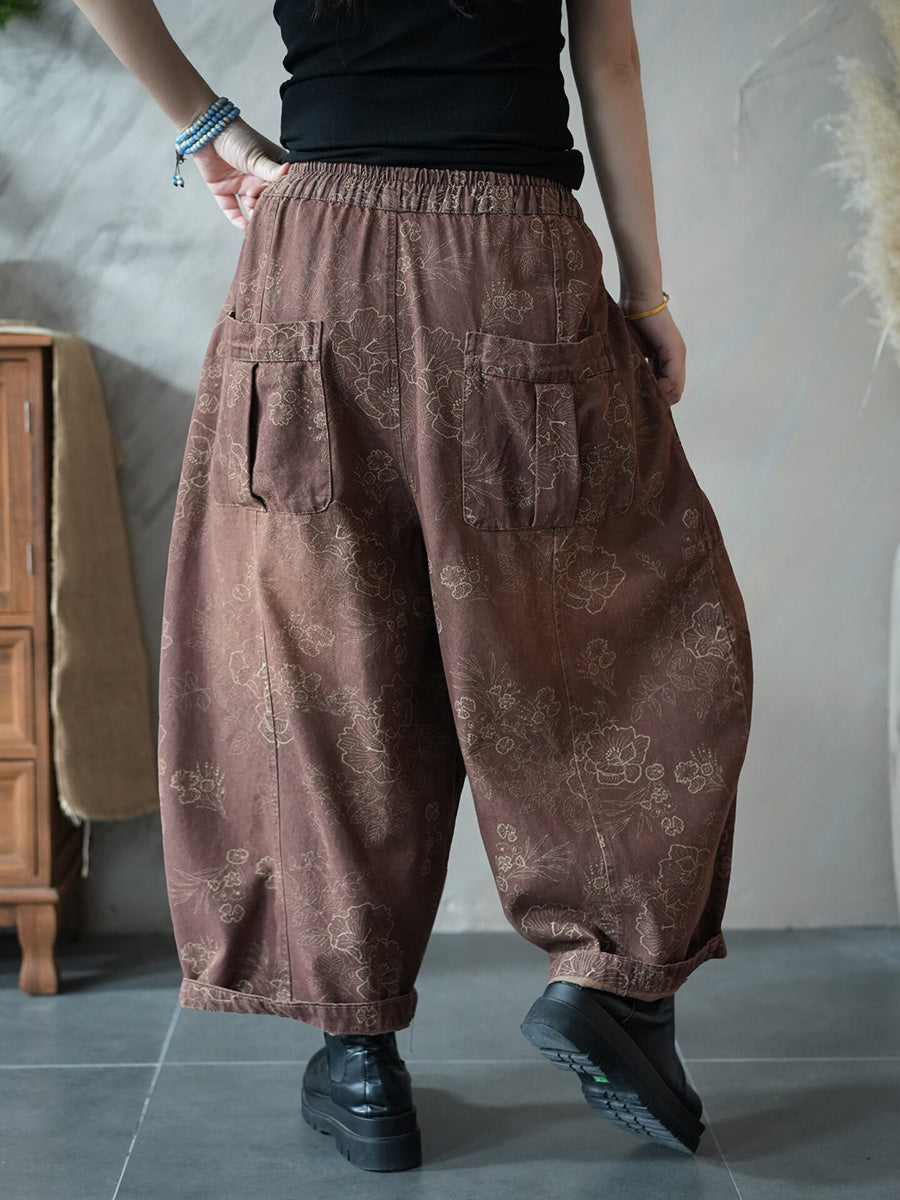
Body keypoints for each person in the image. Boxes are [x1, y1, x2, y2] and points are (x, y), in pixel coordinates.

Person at [72, 0, 753, 1173]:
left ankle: (359, 1058)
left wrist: (207, 128)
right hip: (515, 257)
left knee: (323, 669)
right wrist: (646, 293)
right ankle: (614, 984)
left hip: (312, 254)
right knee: (619, 628)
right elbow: (608, 52)